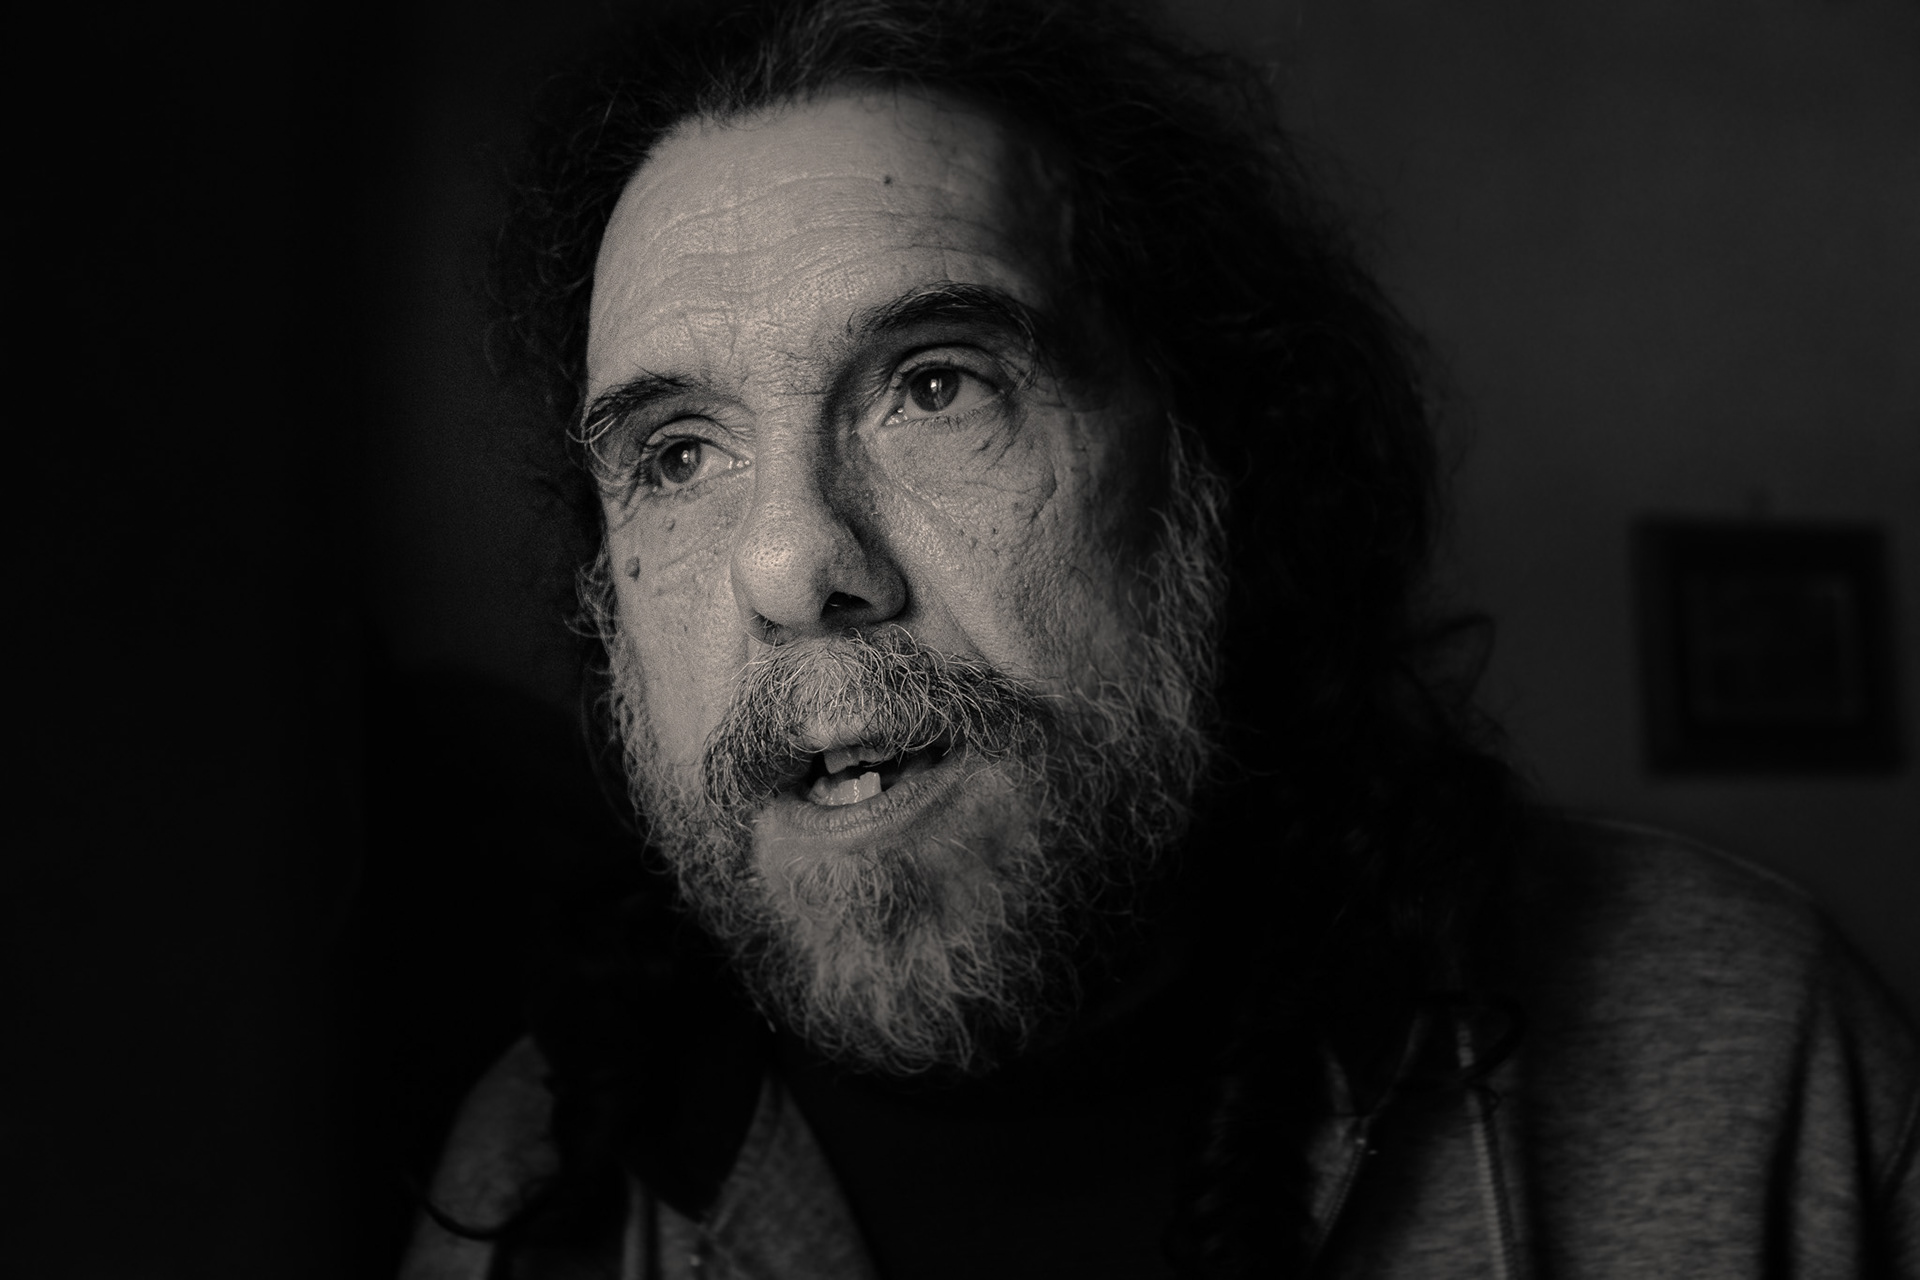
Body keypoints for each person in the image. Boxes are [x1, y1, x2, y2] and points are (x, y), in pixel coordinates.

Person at [402, 1, 1918, 1275]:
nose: (793, 563)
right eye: (676, 455)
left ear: (1213, 467)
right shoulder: (527, 1179)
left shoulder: (1752, 1059)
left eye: (935, 384)